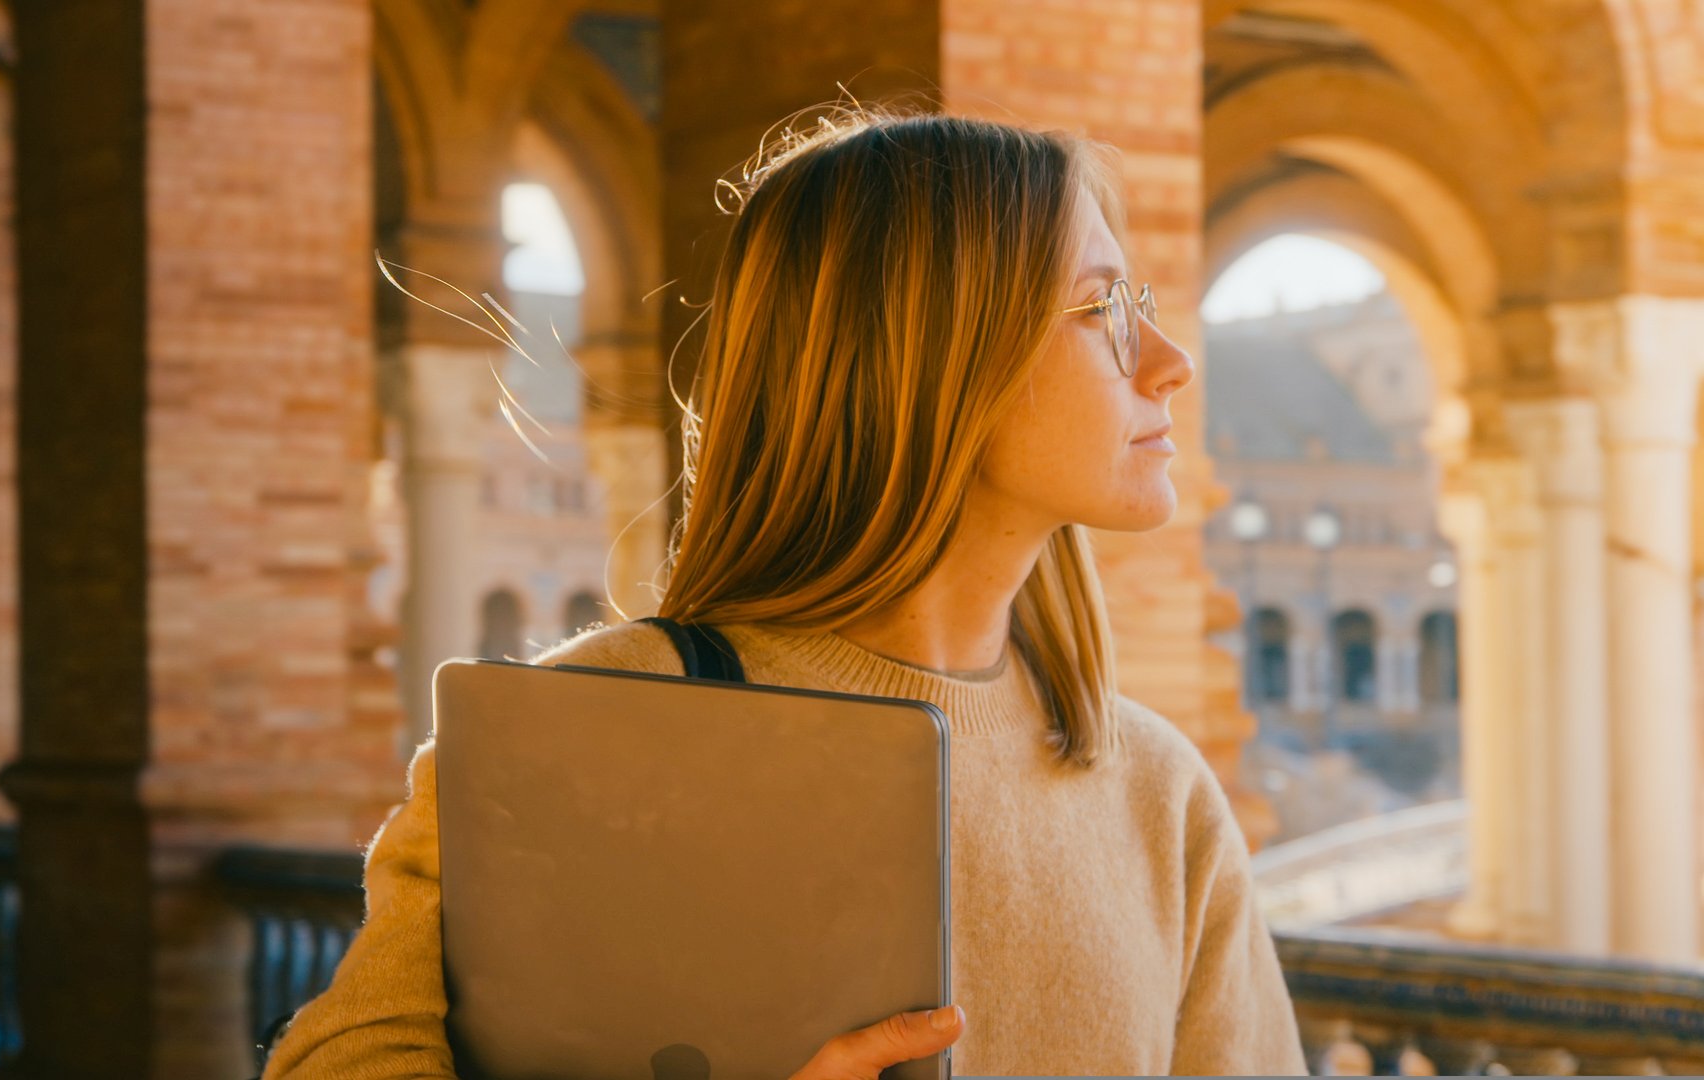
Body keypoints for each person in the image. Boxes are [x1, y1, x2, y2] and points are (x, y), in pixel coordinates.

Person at [262, 105, 1308, 1078]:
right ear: (929, 353)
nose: (1168, 362)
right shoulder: (582, 730)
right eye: (1101, 307)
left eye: (1144, 307)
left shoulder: (1161, 796)